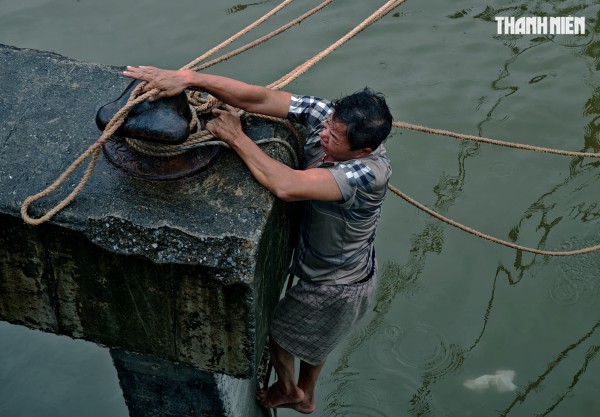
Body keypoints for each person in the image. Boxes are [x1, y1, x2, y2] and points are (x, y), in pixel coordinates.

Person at [123, 66, 393, 414]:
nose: (324, 132)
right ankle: (306, 395)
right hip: (340, 268)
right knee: (316, 337)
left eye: (335, 137)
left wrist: (236, 137)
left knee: (280, 336)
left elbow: (286, 185)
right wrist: (190, 78)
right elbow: (261, 98)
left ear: (363, 149)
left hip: (337, 283)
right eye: (328, 125)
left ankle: (290, 390)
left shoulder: (368, 174)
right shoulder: (330, 118)